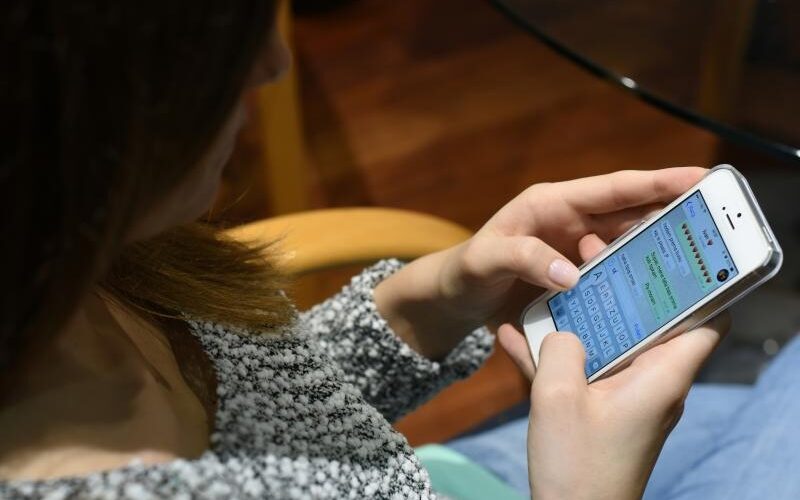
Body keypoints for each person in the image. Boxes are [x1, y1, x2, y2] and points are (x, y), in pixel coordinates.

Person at [2, 1, 779, 498]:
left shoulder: (83, 272)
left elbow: (262, 418)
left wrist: (433, 300)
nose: (273, 64)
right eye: (212, 46)